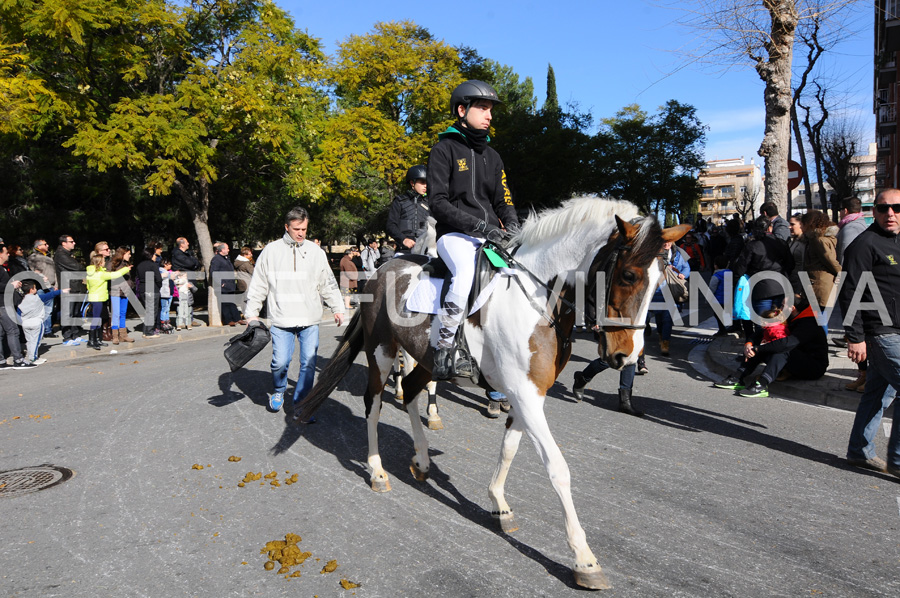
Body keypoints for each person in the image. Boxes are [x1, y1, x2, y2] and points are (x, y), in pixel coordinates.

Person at [427, 80, 519, 379]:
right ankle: (444, 346)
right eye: (482, 108)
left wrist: (514, 228)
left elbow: (503, 200)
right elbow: (438, 203)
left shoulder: (493, 157)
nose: (489, 115)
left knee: (518, 277)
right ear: (462, 110)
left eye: (491, 109)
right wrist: (478, 225)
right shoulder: (443, 150)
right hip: (454, 235)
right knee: (465, 274)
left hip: (490, 236)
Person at [244, 206, 345, 415]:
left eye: (304, 229)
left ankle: (301, 403)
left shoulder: (315, 252)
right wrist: (251, 313)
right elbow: (259, 284)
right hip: (281, 318)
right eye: (297, 229)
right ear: (287, 227)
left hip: (309, 317)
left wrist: (337, 307)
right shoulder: (270, 251)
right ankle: (279, 390)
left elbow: (327, 282)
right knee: (280, 362)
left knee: (308, 363)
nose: (301, 233)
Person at [838, 188, 900, 479]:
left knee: (877, 393)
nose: (891, 214)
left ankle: (858, 451)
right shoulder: (864, 245)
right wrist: (855, 336)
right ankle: (898, 460)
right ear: (872, 211)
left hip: (896, 329)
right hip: (880, 331)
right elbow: (850, 292)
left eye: (897, 208)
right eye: (883, 208)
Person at [713, 299, 828, 398]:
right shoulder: (791, 316)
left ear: (792, 308)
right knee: (766, 341)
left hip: (814, 367)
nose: (780, 307)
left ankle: (762, 384)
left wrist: (758, 349)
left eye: (783, 305)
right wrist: (749, 344)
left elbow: (787, 343)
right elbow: (761, 332)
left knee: (781, 348)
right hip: (797, 360)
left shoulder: (809, 323)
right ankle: (738, 377)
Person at [731, 215, 794, 341]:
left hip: (760, 288)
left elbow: (740, 267)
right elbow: (791, 264)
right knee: (779, 322)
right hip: (780, 286)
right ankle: (777, 350)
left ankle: (759, 351)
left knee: (762, 323)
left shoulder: (752, 245)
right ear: (770, 227)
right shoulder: (781, 243)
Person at [835, 197, 869, 388]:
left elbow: (847, 259)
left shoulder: (850, 228)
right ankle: (864, 375)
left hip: (855, 285)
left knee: (858, 331)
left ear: (845, 210)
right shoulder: (861, 224)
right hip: (862, 284)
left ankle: (866, 375)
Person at [648, 239, 690, 356]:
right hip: (657, 291)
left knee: (668, 319)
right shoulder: (654, 254)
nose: (667, 244)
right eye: (664, 242)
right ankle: (661, 334)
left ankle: (665, 343)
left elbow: (687, 267)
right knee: (659, 316)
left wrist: (683, 274)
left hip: (671, 290)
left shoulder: (678, 254)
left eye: (669, 242)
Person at [85, 241, 130, 350]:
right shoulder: (101, 274)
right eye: (103, 261)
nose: (105, 262)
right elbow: (116, 274)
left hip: (95, 297)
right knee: (96, 319)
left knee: (97, 319)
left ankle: (96, 340)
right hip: (98, 298)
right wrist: (126, 269)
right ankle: (92, 341)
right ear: (100, 263)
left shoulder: (92, 272)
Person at [1, 243, 35, 369]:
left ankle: (1, 361)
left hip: (3, 303)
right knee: (13, 331)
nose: (8, 254)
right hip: (3, 304)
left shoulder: (3, 268)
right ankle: (18, 359)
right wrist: (12, 285)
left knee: (2, 333)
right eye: (5, 252)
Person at [800, 210, 840, 314]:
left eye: (803, 224)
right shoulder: (819, 239)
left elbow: (830, 260)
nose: (801, 227)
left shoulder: (818, 240)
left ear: (809, 224)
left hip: (820, 285)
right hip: (820, 284)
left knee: (820, 319)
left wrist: (841, 273)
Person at [387, 164, 431, 252]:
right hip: (404, 249)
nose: (425, 185)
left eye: (427, 182)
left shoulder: (431, 202)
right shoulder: (399, 201)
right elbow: (390, 226)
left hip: (425, 249)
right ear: (412, 183)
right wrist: (403, 239)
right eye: (422, 182)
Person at [54, 234, 86, 345]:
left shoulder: (68, 254)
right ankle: (67, 337)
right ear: (64, 243)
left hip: (75, 286)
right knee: (68, 312)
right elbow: (77, 267)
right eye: (71, 241)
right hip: (68, 286)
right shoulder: (60, 255)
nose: (74, 243)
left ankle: (75, 334)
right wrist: (81, 265)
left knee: (76, 312)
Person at [17, 279, 58, 365]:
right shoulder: (38, 298)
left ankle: (30, 354)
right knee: (36, 341)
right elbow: (51, 295)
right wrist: (62, 291)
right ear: (32, 289)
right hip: (36, 322)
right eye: (35, 287)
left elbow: (18, 313)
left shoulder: (21, 300)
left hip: (25, 323)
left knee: (29, 341)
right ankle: (33, 358)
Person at [28, 238, 57, 336]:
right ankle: (44, 330)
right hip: (41, 287)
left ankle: (48, 329)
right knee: (42, 310)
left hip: (51, 286)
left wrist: (56, 284)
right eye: (45, 244)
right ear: (38, 246)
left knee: (49, 310)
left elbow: (54, 272)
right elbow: (33, 271)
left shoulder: (48, 257)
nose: (47, 245)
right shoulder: (34, 257)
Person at [210, 241, 244, 326]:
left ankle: (237, 318)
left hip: (230, 285)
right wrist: (221, 282)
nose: (228, 250)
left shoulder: (226, 258)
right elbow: (214, 272)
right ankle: (228, 320)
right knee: (225, 304)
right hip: (223, 286)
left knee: (232, 302)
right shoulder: (216, 259)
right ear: (222, 250)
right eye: (227, 248)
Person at [171, 236, 202, 327]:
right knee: (183, 300)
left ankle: (189, 319)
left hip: (189, 278)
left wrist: (193, 263)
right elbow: (190, 263)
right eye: (186, 242)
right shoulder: (178, 254)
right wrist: (193, 263)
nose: (188, 244)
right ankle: (183, 320)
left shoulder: (187, 253)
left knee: (189, 300)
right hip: (183, 280)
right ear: (182, 244)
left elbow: (196, 263)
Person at [108, 246, 135, 344]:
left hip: (125, 291)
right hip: (116, 291)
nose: (130, 255)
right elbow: (110, 276)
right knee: (116, 313)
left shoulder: (126, 264)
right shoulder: (113, 264)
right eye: (128, 253)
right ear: (123, 254)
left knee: (123, 313)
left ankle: (123, 335)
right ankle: (115, 335)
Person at [135, 245, 163, 338]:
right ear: (151, 255)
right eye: (154, 255)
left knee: (148, 310)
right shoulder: (153, 265)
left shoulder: (139, 265)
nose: (156, 257)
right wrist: (159, 286)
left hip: (143, 288)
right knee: (152, 311)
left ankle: (145, 330)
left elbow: (138, 277)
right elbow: (158, 278)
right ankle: (149, 332)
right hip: (152, 288)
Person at [708, 254, 733, 336]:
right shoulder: (731, 273)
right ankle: (731, 327)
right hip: (729, 299)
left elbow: (712, 288)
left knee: (718, 315)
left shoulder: (716, 276)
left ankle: (722, 330)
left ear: (715, 266)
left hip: (718, 300)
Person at [158, 258, 175, 332]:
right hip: (164, 293)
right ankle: (163, 322)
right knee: (164, 308)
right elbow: (161, 277)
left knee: (167, 309)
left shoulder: (168, 272)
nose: (171, 265)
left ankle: (167, 321)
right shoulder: (161, 271)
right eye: (169, 264)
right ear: (165, 264)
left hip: (169, 292)